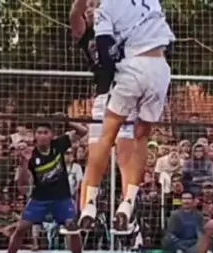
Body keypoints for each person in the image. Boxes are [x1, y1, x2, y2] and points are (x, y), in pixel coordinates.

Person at [74, 0, 175, 232]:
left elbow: (105, 47)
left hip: (129, 74)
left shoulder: (107, 11)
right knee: (140, 137)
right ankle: (124, 203)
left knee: (110, 141)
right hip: (157, 70)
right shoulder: (149, 2)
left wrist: (116, 75)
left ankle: (94, 205)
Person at [70, 0, 144, 232]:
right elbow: (75, 14)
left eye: (96, 5)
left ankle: (126, 210)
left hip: (125, 95)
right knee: (95, 158)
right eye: (90, 6)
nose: (92, 9)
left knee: (125, 156)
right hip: (102, 99)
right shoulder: (87, 35)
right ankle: (86, 211)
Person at [0, 124, 86, 253]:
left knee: (73, 228)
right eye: (39, 133)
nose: (42, 136)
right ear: (35, 136)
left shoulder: (59, 144)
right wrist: (23, 163)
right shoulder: (30, 154)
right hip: (39, 199)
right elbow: (22, 187)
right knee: (21, 228)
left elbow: (83, 131)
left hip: (62, 198)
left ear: (51, 135)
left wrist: (67, 121)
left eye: (45, 132)